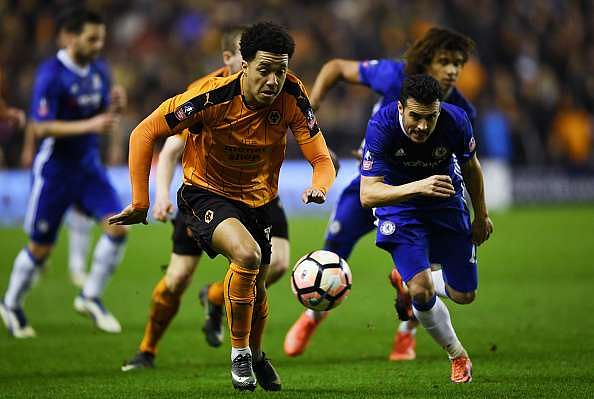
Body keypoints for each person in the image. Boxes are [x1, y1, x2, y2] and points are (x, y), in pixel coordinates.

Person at [109, 22, 336, 391]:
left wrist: (319, 186)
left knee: (259, 284)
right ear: (241, 65)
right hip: (205, 193)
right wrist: (142, 200)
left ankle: (258, 353)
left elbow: (322, 159)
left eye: (281, 70)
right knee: (241, 258)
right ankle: (237, 355)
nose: (274, 80)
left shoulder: (293, 95)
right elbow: (145, 133)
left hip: (259, 199)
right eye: (265, 70)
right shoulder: (208, 97)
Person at [284, 26, 477, 361]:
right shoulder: (392, 76)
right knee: (334, 249)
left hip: (422, 198)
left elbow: (465, 166)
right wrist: (309, 113)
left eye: (458, 64)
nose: (452, 71)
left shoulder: (460, 111)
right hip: (371, 183)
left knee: (422, 270)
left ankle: (406, 335)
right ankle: (315, 314)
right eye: (445, 61)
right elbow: (335, 68)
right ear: (426, 61)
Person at [0, 7, 127, 338]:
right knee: (41, 248)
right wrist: (91, 124)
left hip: (88, 168)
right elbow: (40, 128)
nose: (99, 45)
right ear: (72, 38)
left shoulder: (99, 69)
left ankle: (90, 296)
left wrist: (114, 107)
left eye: (102, 38)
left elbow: (103, 113)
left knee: (118, 228)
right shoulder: (51, 75)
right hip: (55, 171)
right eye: (92, 38)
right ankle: (11, 304)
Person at [359, 74, 493, 383]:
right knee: (421, 291)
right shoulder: (382, 126)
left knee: (464, 294)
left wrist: (481, 216)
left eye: (430, 117)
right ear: (401, 108)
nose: (422, 125)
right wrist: (419, 186)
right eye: (415, 116)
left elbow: (471, 168)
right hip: (399, 207)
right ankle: (458, 355)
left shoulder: (455, 121)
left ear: (439, 110)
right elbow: (368, 194)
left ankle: (408, 278)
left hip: (446, 202)